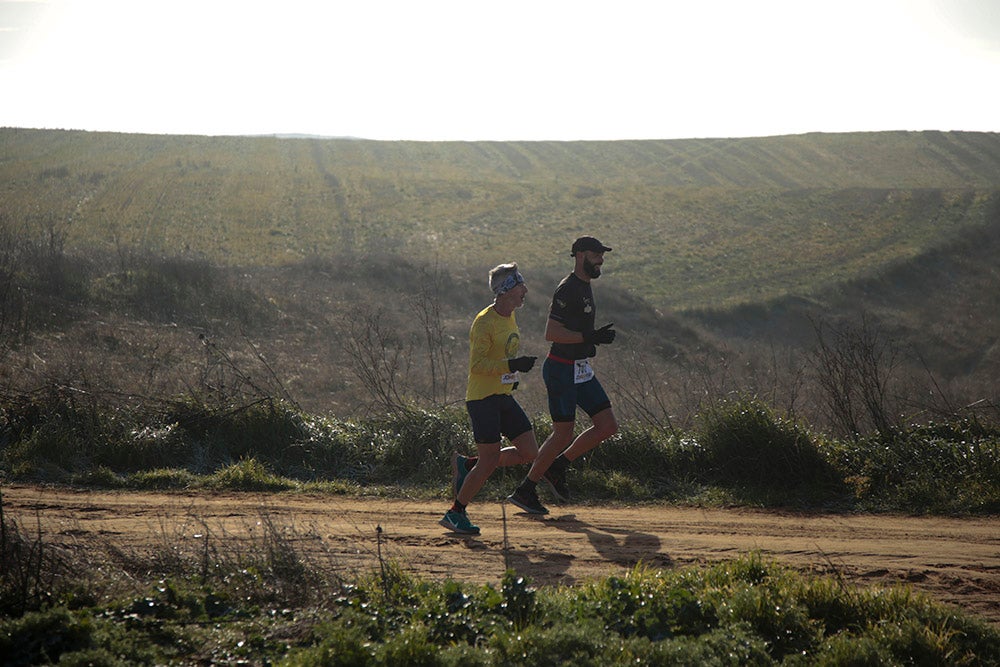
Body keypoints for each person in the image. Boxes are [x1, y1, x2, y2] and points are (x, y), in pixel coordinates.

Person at [507, 236, 619, 515]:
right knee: (562, 433)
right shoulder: (568, 289)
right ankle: (526, 490)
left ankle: (557, 467)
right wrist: (588, 336)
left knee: (607, 426)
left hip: (580, 369)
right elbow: (551, 333)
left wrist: (590, 341)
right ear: (580, 255)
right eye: (596, 255)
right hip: (560, 369)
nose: (601, 260)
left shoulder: (585, 286)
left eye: (602, 255)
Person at [440, 262, 540, 535]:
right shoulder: (484, 322)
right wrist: (512, 365)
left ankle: (468, 465)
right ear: (506, 290)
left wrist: (513, 369)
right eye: (521, 286)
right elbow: (478, 365)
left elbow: (502, 357)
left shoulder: (509, 316)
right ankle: (455, 512)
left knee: (530, 452)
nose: (526, 291)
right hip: (482, 399)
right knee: (490, 460)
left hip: (502, 396)